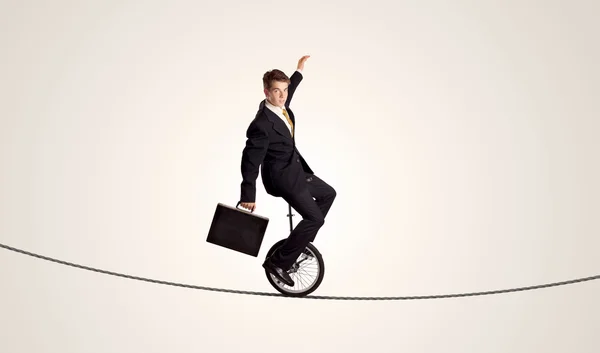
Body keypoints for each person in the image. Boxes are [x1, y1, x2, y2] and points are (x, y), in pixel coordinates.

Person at [238, 55, 336, 286]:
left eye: (285, 91)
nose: (282, 96)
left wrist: (298, 71)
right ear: (266, 92)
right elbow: (249, 160)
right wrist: (248, 195)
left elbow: (289, 91)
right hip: (282, 179)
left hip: (295, 169)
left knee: (328, 194)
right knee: (315, 219)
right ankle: (279, 263)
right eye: (276, 91)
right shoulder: (261, 124)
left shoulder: (282, 107)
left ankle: (297, 243)